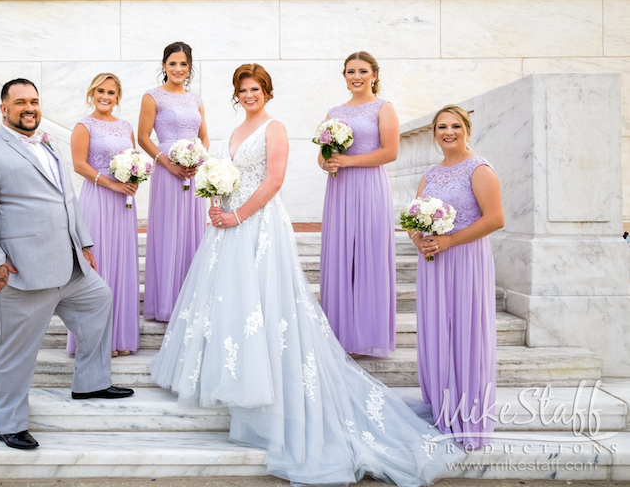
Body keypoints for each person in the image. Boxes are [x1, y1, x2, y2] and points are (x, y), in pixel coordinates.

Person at [150, 64, 463, 486]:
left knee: (264, 303)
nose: (249, 95)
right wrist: (216, 199)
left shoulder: (274, 128)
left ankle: (266, 386)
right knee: (236, 302)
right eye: (242, 90)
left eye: (255, 89)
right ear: (236, 95)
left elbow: (274, 180)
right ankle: (236, 375)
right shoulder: (235, 129)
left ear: (267, 92)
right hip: (229, 224)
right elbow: (231, 176)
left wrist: (238, 214)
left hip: (258, 225)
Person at [0, 78, 133, 451]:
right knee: (14, 351)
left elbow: (68, 198)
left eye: (34, 101)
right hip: (22, 273)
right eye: (20, 102)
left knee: (99, 300)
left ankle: (91, 382)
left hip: (69, 265)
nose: (29, 108)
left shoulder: (48, 144)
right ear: (3, 108)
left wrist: (84, 242)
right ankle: (8, 423)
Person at [410, 105, 503, 449]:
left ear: (466, 129)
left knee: (465, 332)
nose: (448, 132)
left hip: (465, 260)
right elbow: (414, 220)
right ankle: (441, 408)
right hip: (434, 264)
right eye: (441, 127)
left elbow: (495, 218)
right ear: (434, 134)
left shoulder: (479, 169)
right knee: (437, 333)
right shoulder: (430, 174)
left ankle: (468, 415)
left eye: (455, 126)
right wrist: (419, 240)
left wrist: (448, 241)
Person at [319, 51, 399, 358]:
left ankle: (368, 334)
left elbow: (390, 152)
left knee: (368, 254)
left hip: (369, 187)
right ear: (344, 76)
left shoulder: (383, 108)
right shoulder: (334, 112)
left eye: (362, 71)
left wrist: (349, 161)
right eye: (350, 71)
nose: (356, 76)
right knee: (340, 254)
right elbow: (322, 154)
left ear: (374, 75)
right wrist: (327, 164)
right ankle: (340, 334)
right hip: (340, 189)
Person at [66, 73, 140, 357]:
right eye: (100, 91)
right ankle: (95, 339)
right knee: (100, 264)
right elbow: (79, 164)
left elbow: (133, 161)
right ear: (91, 94)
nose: (105, 97)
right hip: (97, 198)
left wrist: (134, 180)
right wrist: (112, 183)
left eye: (111, 92)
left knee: (121, 264)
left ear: (118, 97)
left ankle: (118, 338)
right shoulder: (84, 126)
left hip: (123, 205)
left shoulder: (125, 127)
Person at [138, 42, 209, 322]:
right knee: (168, 232)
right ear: (164, 65)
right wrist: (169, 164)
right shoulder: (152, 97)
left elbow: (204, 136)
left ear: (189, 67)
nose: (178, 69)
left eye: (183, 64)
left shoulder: (196, 99)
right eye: (172, 63)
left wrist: (197, 159)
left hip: (192, 172)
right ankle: (165, 302)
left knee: (192, 232)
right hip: (167, 172)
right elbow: (144, 137)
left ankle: (190, 299)